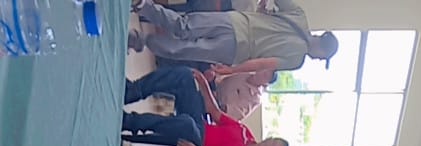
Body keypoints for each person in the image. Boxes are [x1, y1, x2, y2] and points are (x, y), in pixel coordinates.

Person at [122, 68, 289, 146]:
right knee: (186, 76)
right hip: (201, 124)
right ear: (270, 138)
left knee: (187, 124)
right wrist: (203, 84)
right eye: (273, 143)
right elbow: (215, 113)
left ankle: (130, 121)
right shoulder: (245, 132)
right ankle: (134, 90)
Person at [129, 1, 340, 75]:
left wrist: (262, 9)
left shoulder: (299, 16)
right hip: (234, 50)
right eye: (322, 57)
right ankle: (140, 40)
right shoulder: (296, 60)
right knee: (183, 50)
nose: (318, 59)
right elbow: (261, 64)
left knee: (184, 25)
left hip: (235, 21)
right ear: (322, 49)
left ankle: (143, 6)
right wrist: (231, 70)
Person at [124, 62, 277, 123]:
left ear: (266, 83)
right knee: (189, 70)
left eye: (265, 75)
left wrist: (209, 91)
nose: (261, 73)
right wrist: (213, 75)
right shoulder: (245, 72)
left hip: (209, 109)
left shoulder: (254, 99)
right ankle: (136, 89)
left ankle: (135, 96)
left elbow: (226, 114)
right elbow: (222, 75)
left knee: (185, 77)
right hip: (210, 88)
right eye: (263, 70)